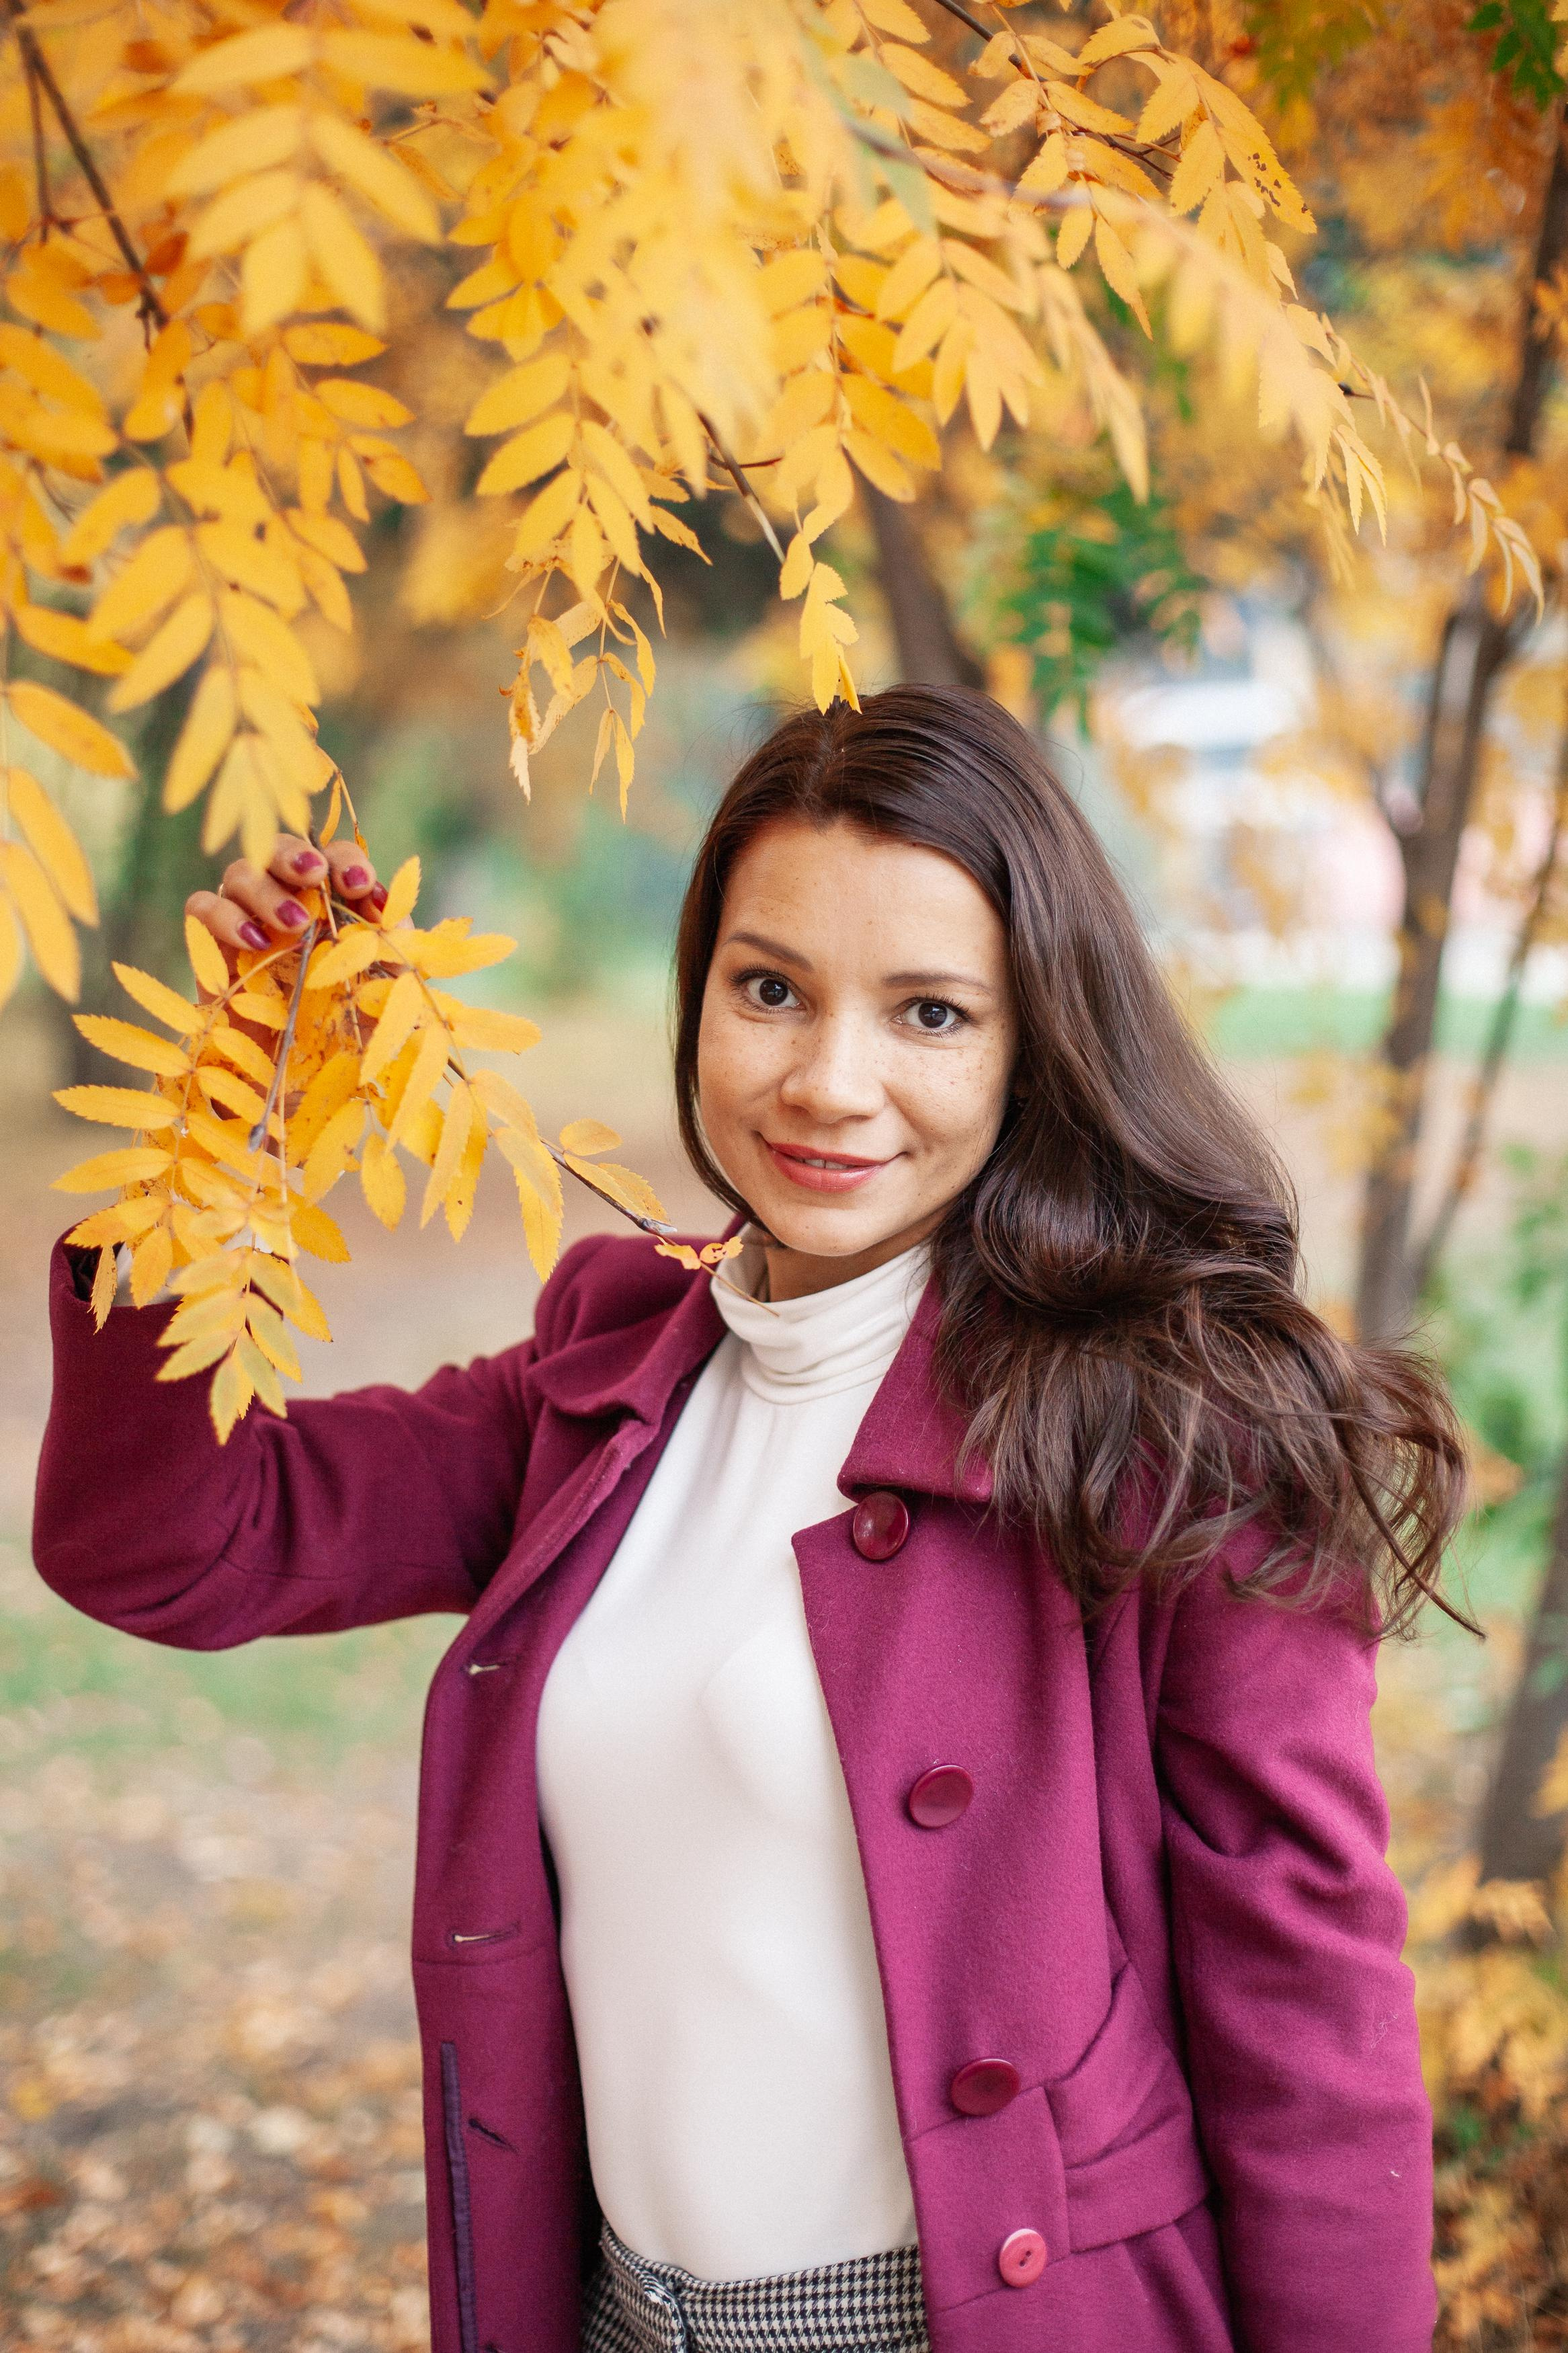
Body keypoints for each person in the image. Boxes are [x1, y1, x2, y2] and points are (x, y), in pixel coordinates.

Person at [34, 686, 1467, 2353]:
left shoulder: (1168, 1432)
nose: (828, 1082)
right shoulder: (608, 1371)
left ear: (1035, 1040)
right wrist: (223, 1119)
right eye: (769, 989)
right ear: (699, 992)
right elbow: (172, 1541)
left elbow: (1310, 2027)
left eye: (930, 1013)